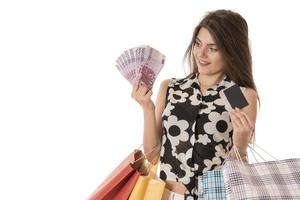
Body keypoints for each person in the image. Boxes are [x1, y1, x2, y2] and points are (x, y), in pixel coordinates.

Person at [131, 9, 259, 200]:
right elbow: (152, 155)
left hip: (215, 196)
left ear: (232, 52)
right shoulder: (172, 87)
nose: (201, 53)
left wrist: (240, 145)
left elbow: (236, 171)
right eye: (198, 44)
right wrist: (147, 109)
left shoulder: (236, 94)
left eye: (212, 48)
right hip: (167, 195)